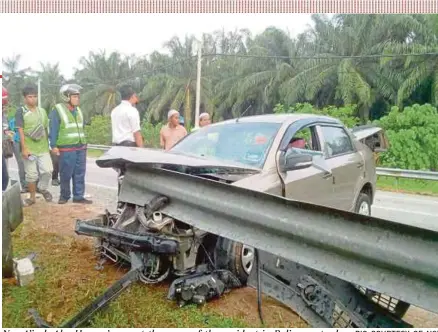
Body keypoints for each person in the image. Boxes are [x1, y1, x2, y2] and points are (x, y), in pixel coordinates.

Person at [49, 84, 92, 205]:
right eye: (75, 96)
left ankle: (78, 196)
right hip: (66, 149)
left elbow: (81, 127)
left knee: (80, 173)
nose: (78, 98)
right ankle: (64, 196)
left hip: (80, 147)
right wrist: (53, 146)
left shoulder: (78, 110)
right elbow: (53, 129)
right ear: (66, 97)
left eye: (78, 96)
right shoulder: (57, 110)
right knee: (65, 173)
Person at [15, 84, 53, 206]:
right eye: (30, 97)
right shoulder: (21, 111)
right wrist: (24, 148)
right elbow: (20, 130)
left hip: (42, 147)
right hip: (29, 148)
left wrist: (49, 146)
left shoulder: (42, 111)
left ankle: (41, 188)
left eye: (35, 96)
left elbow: (46, 128)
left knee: (48, 170)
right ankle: (32, 197)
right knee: (31, 175)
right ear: (25, 98)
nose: (33, 99)